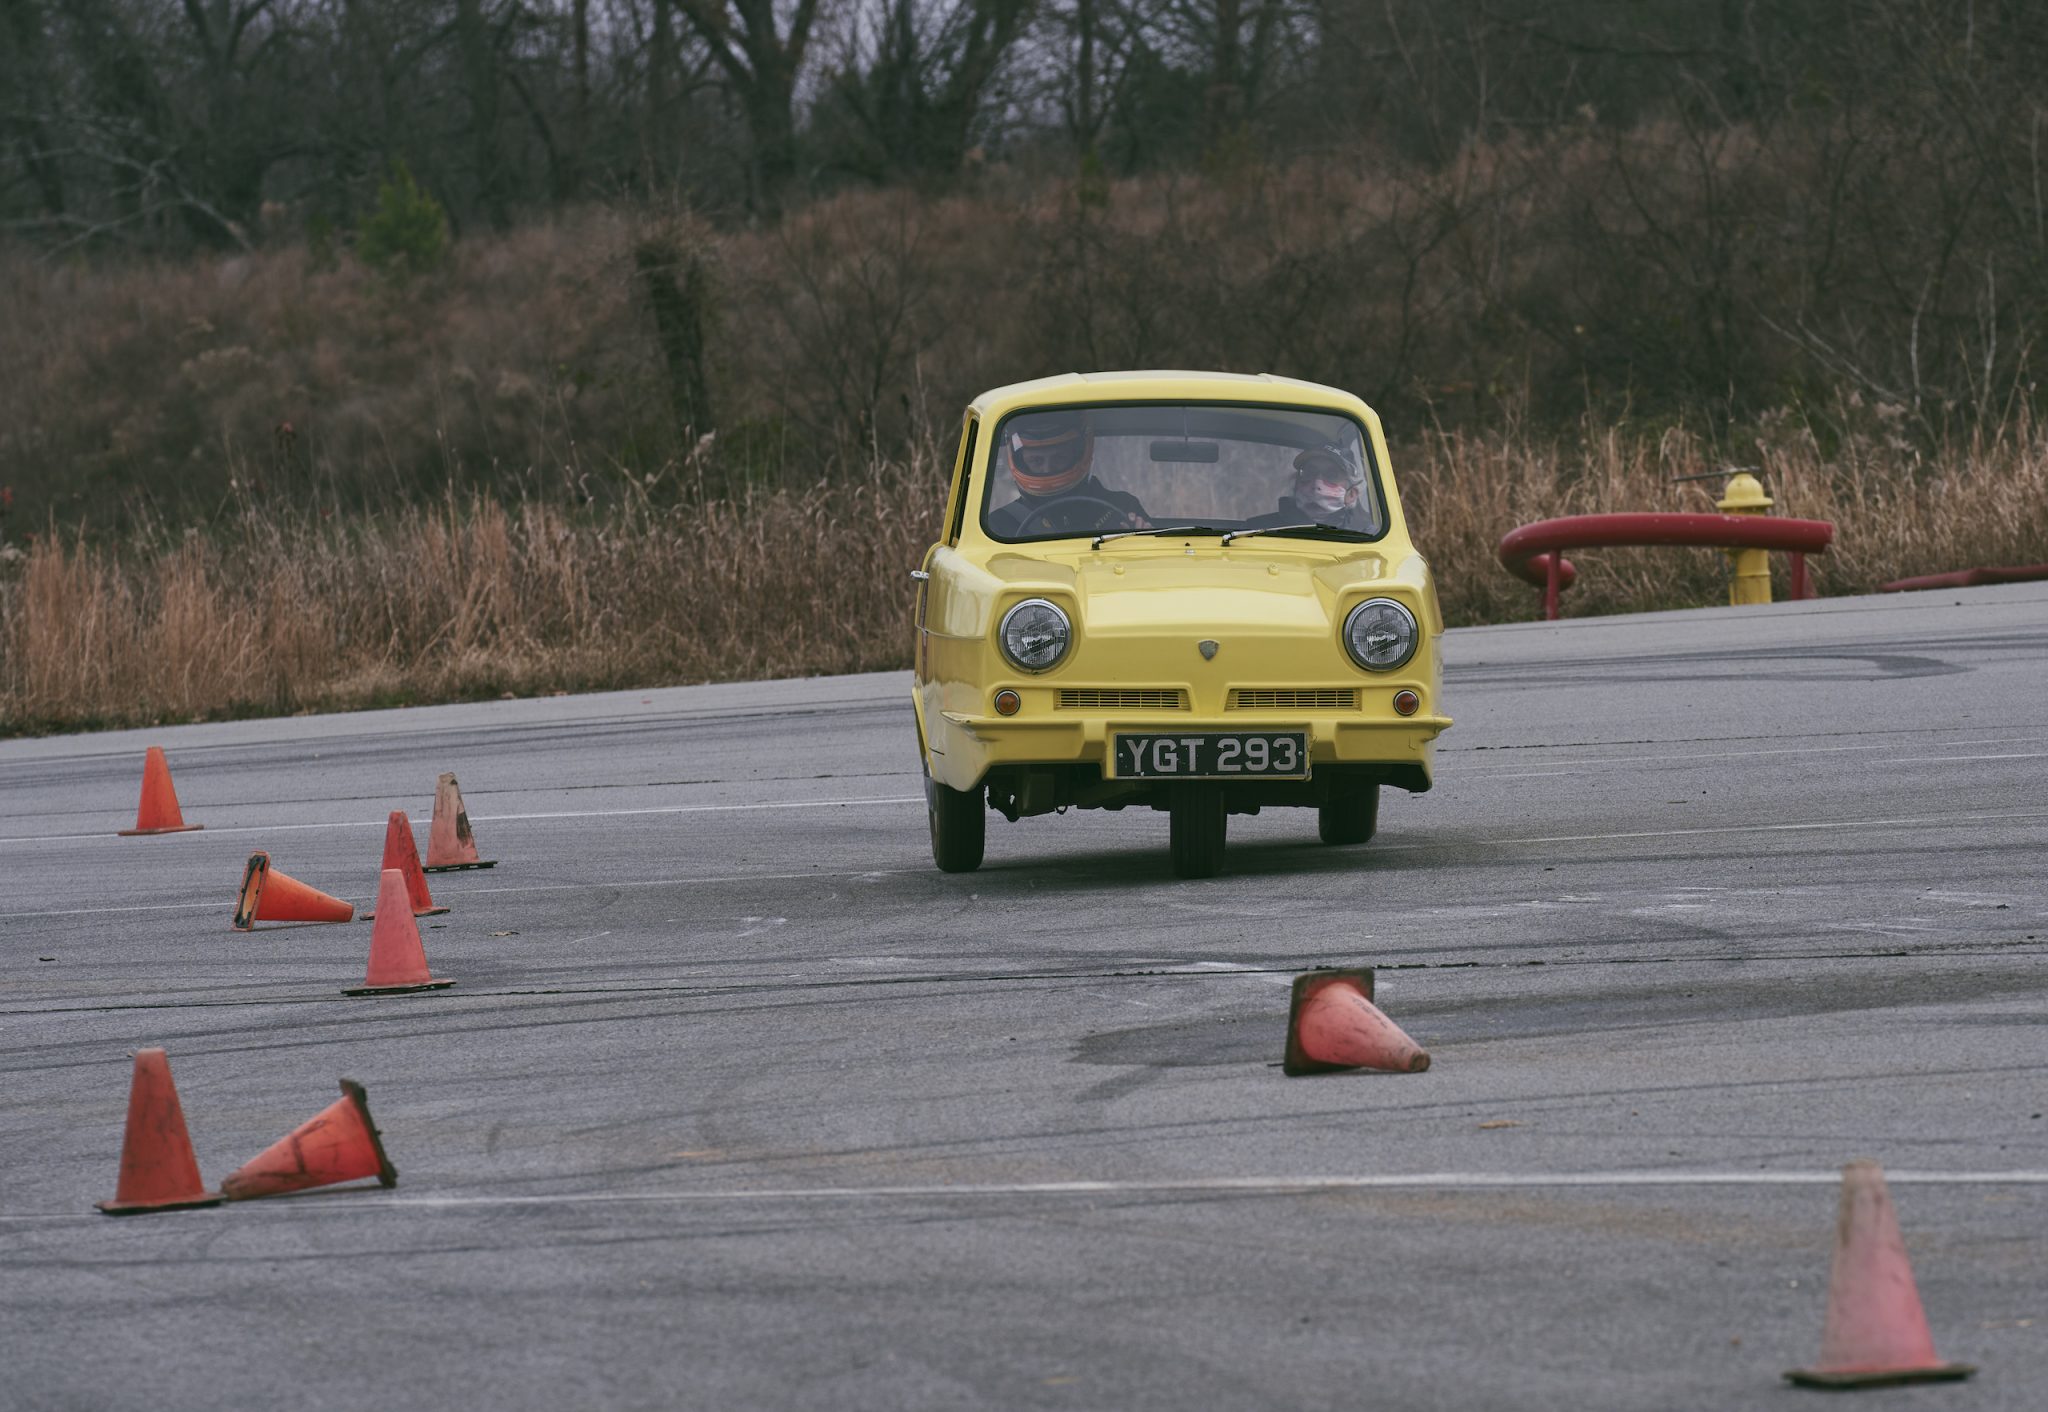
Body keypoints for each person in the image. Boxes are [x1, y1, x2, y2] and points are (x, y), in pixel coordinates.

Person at [985, 410, 1152, 537]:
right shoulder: (998, 525)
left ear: (1078, 453)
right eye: (1036, 461)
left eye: (1059, 458)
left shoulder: (1122, 507)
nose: (1047, 469)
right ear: (1021, 461)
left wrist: (1145, 540)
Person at [1258, 442, 1372, 531]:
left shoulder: (1365, 538)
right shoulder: (1258, 529)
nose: (1317, 484)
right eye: (1309, 472)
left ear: (1352, 494)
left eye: (1332, 475)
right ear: (1296, 484)